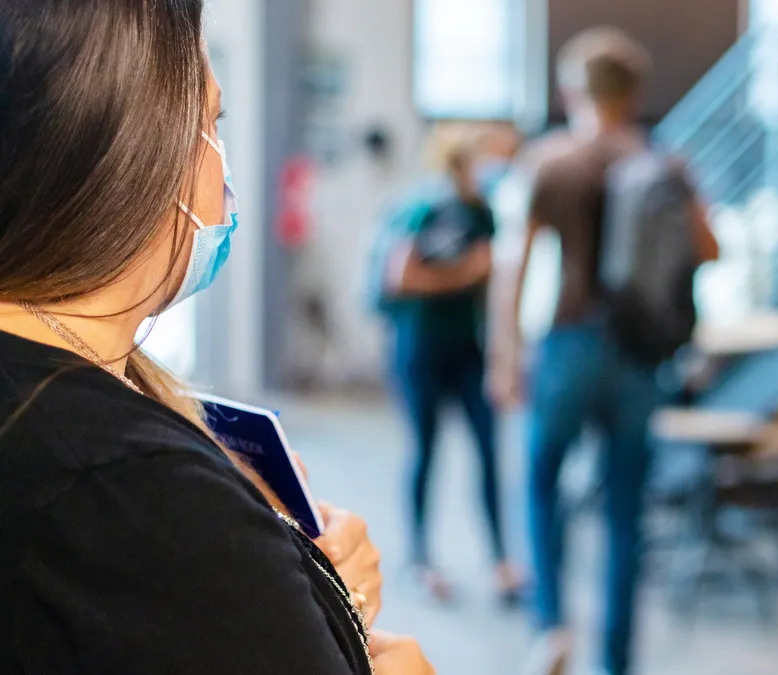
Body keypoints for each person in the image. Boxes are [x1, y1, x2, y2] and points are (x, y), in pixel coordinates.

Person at [0, 3, 431, 674]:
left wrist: (286, 573)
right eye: (212, 122)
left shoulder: (81, 405)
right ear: (137, 160)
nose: (221, 163)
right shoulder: (140, 489)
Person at [489, 27, 720, 675]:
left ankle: (551, 623)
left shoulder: (550, 160)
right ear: (635, 92)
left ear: (572, 91)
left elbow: (513, 267)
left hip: (568, 339)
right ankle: (617, 660)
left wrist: (504, 358)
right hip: (640, 350)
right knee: (625, 506)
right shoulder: (666, 164)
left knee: (540, 480)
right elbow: (710, 248)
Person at [372, 124, 520, 603]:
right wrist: (463, 274)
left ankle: (500, 559)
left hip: (467, 348)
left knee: (489, 450)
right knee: (425, 449)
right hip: (420, 346)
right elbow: (401, 278)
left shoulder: (481, 212)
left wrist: (504, 355)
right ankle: (419, 559)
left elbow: (492, 282)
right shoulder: (422, 208)